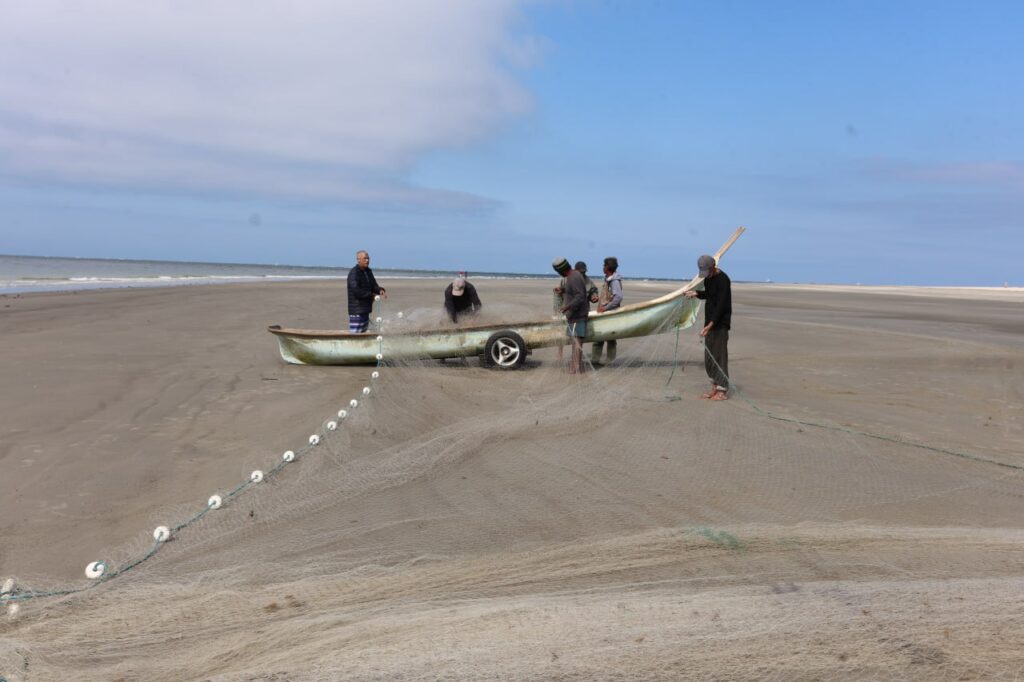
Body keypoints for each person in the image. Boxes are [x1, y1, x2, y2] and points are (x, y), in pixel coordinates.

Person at [685, 254, 732, 400]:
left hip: (719, 324)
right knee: (709, 358)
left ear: (713, 266)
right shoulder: (708, 278)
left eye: (707, 271)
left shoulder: (723, 280)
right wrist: (696, 293)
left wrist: (709, 326)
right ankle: (714, 386)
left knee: (719, 357)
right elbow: (709, 294)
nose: (706, 274)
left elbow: (721, 306)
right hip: (709, 323)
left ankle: (722, 390)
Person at [553, 257, 590, 373]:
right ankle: (575, 365)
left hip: (578, 315)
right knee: (575, 342)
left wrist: (567, 307)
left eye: (558, 271)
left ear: (561, 270)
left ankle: (576, 367)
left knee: (577, 341)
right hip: (575, 315)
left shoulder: (573, 277)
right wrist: (563, 290)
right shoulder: (574, 276)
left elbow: (580, 296)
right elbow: (575, 291)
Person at [591, 256, 624, 365]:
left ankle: (609, 361)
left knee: (610, 338)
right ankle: (595, 359)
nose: (602, 267)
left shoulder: (614, 281)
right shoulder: (608, 279)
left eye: (604, 265)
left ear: (607, 267)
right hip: (604, 313)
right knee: (599, 337)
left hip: (610, 314)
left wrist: (605, 308)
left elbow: (618, 297)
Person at [347, 250, 386, 333]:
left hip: (365, 310)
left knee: (364, 334)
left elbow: (374, 286)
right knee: (356, 335)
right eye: (365, 258)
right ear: (358, 260)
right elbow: (356, 291)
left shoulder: (368, 271)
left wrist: (380, 290)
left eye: (368, 258)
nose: (367, 260)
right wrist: (371, 295)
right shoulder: (354, 273)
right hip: (356, 311)